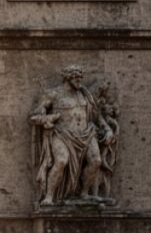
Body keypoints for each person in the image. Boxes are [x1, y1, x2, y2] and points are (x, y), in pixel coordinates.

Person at [29, 65, 115, 204]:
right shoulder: (53, 94)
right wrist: (47, 119)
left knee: (96, 161)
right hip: (62, 133)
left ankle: (84, 193)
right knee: (62, 160)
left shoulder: (84, 94)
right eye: (76, 77)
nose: (79, 81)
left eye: (80, 77)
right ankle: (49, 196)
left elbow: (96, 116)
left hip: (86, 133)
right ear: (67, 78)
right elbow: (33, 116)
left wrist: (107, 129)